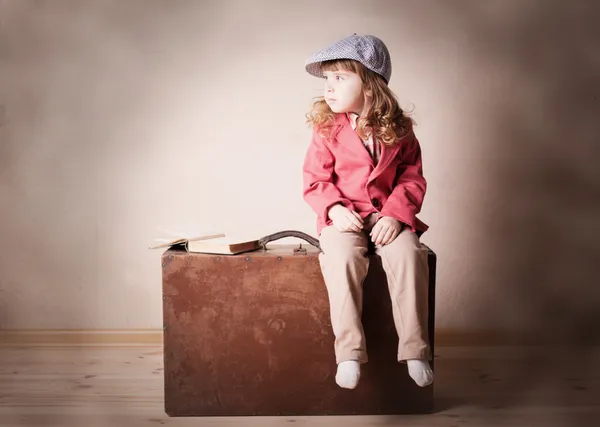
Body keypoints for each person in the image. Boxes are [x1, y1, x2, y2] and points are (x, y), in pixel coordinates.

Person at [302, 33, 433, 390]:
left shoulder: (401, 129)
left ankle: (415, 350)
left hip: (387, 216)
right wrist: (333, 207)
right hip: (344, 216)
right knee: (341, 258)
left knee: (410, 254)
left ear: (370, 83)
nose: (329, 88)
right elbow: (315, 179)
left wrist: (395, 214)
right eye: (326, 79)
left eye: (340, 78)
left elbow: (411, 178)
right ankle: (348, 352)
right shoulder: (326, 128)